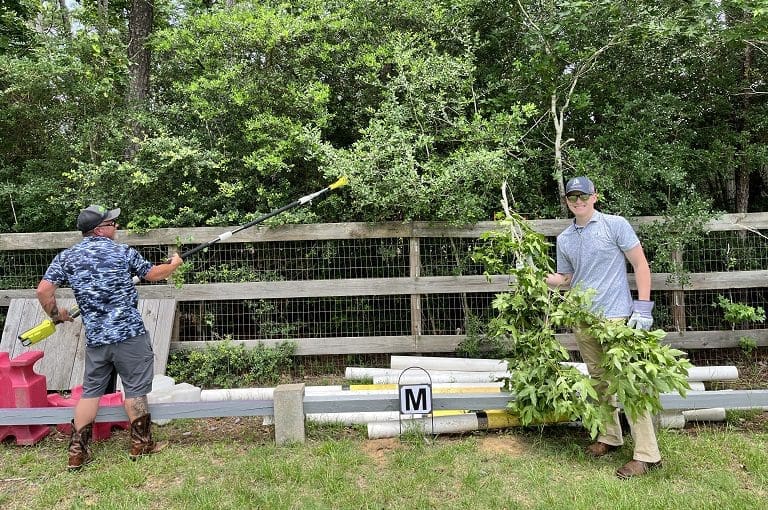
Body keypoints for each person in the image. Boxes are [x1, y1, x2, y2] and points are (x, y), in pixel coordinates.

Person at [36, 205, 183, 470]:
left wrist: (57, 315)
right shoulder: (121, 251)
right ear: (99, 229)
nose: (116, 227)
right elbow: (152, 274)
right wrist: (173, 264)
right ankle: (141, 444)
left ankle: (77, 452)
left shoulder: (67, 257)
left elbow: (44, 291)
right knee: (135, 389)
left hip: (96, 339)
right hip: (129, 334)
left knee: (91, 393)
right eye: (112, 223)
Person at [545, 176, 660, 479]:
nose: (578, 201)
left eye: (583, 195)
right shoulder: (565, 238)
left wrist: (643, 306)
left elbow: (640, 264)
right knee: (599, 382)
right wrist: (552, 280)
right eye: (572, 197)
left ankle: (647, 454)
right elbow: (568, 277)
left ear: (595, 196)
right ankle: (610, 437)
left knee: (629, 384)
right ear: (567, 201)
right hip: (583, 318)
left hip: (616, 319)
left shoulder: (614, 224)